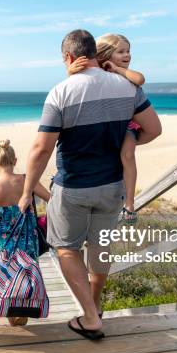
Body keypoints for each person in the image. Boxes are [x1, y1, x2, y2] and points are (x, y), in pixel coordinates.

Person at [18, 29, 162, 340]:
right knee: (101, 247)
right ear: (96, 54)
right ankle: (93, 306)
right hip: (112, 186)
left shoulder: (60, 92)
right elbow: (154, 129)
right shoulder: (127, 86)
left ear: (69, 57)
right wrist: (129, 138)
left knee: (67, 250)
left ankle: (90, 317)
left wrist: (27, 189)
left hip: (73, 188)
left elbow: (42, 149)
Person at [68, 33, 149, 222]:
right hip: (111, 124)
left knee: (127, 155)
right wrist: (70, 72)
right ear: (105, 54)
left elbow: (140, 78)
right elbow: (81, 84)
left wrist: (117, 69)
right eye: (121, 51)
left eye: (128, 51)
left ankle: (129, 205)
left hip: (130, 124)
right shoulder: (100, 74)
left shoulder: (127, 75)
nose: (127, 55)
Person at [0, 139, 51, 326]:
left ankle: (13, 323)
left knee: (6, 282)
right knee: (26, 281)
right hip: (28, 242)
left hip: (3, 246)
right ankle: (23, 321)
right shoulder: (27, 181)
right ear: (15, 160)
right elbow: (51, 198)